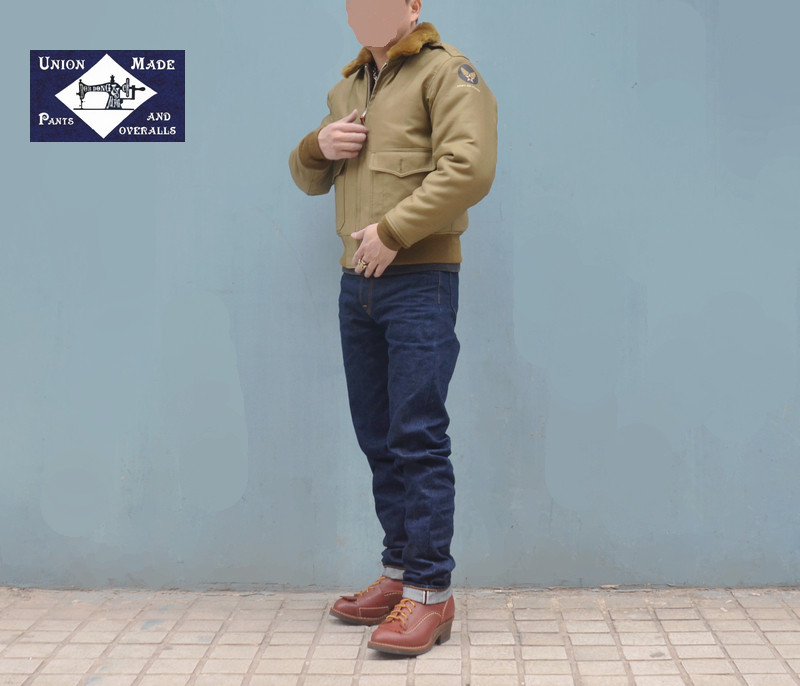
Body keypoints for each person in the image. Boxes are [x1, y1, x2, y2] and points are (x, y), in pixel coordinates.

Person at [288, 0, 497, 657]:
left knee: (417, 435)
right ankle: (400, 571)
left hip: (418, 281)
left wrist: (396, 232)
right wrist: (316, 148)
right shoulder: (349, 86)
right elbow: (308, 179)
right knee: (378, 435)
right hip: (358, 286)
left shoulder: (447, 73)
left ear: (413, 6)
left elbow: (469, 169)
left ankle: (431, 594)